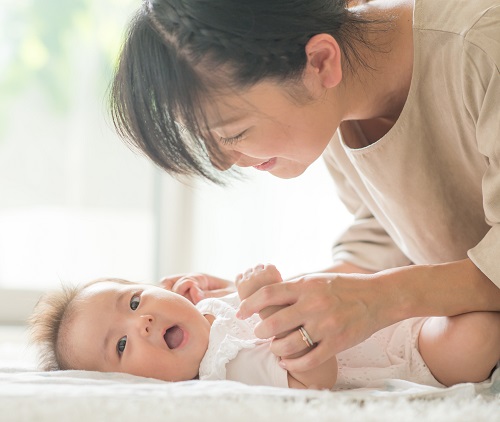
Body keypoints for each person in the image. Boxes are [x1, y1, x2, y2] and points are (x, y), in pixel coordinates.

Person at [109, 0, 500, 380]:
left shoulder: (482, 43)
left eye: (234, 134)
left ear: (320, 62)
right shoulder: (333, 107)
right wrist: (268, 304)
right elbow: (387, 234)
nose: (222, 162)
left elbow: (385, 283)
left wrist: (381, 296)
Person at [29, 264, 500, 389]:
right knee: (478, 336)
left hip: (386, 302)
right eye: (123, 344)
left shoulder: (210, 318)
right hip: (403, 349)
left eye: (134, 300)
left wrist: (218, 292)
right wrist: (273, 307)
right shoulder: (222, 370)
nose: (145, 318)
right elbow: (316, 377)